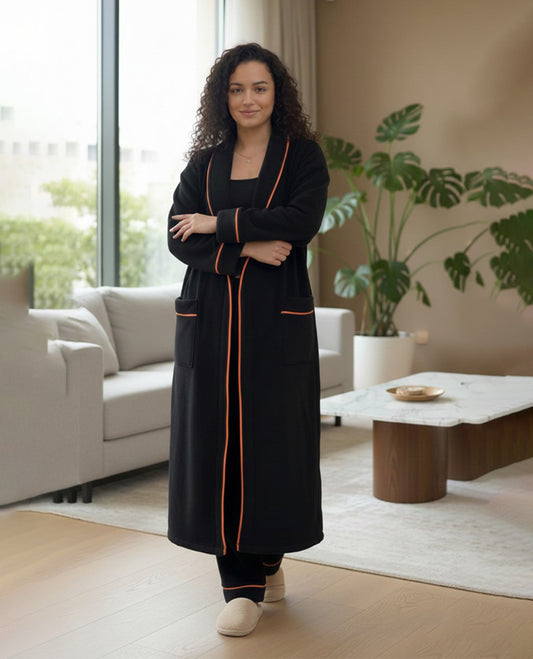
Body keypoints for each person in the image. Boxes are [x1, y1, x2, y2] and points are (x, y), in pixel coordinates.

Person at [167, 42, 329, 637]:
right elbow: (177, 234)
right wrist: (244, 251)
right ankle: (240, 588)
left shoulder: (302, 157)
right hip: (210, 321)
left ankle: (268, 559)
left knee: (273, 445)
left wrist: (219, 223)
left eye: (259, 88)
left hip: (274, 322)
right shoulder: (204, 164)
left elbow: (300, 220)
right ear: (223, 97)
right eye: (236, 89)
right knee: (216, 447)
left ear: (276, 94)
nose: (248, 99)